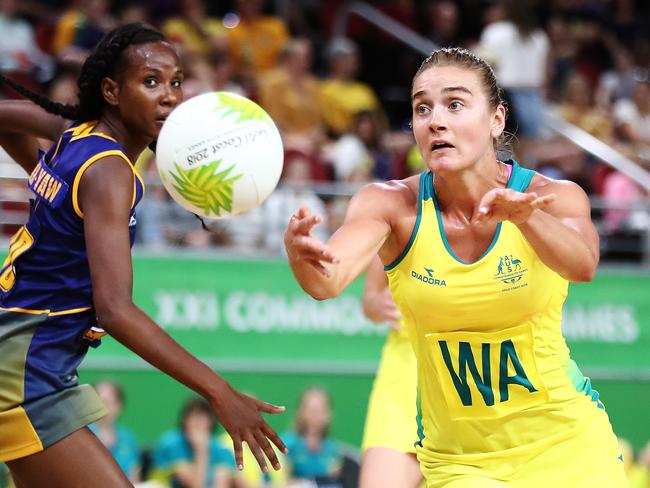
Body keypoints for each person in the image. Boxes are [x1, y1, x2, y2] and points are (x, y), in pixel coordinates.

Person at [283, 47, 628, 487]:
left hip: (566, 445)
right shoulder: (390, 204)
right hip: (461, 461)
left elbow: (583, 264)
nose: (435, 120)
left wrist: (525, 217)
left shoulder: (551, 196)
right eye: (422, 108)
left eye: (455, 104)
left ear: (496, 120)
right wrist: (300, 255)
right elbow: (327, 280)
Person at [0, 22, 286, 487]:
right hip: (23, 374)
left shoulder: (76, 137)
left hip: (25, 361)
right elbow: (115, 310)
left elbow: (5, 118)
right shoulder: (109, 172)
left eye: (175, 82)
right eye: (150, 82)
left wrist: (47, 184)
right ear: (111, 91)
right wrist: (220, 392)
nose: (169, 96)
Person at [359, 256, 423, 488]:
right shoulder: (402, 220)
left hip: (478, 380)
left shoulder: (509, 223)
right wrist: (378, 303)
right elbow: (370, 299)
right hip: (405, 382)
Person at [152, 397, 236, 488]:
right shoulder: (170, 444)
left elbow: (236, 479)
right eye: (193, 416)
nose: (198, 422)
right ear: (185, 420)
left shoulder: (219, 447)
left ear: (211, 422)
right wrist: (201, 450)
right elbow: (195, 485)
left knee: (222, 474)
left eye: (203, 416)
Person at [282, 388, 343, 486]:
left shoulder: (333, 448)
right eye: (312, 410)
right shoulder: (287, 444)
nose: (317, 416)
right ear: (301, 412)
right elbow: (281, 482)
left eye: (322, 410)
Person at [89, 381, 141, 482]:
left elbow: (134, 475)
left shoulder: (128, 437)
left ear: (119, 405)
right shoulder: (82, 434)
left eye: (107, 402)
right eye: (97, 402)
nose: (102, 407)